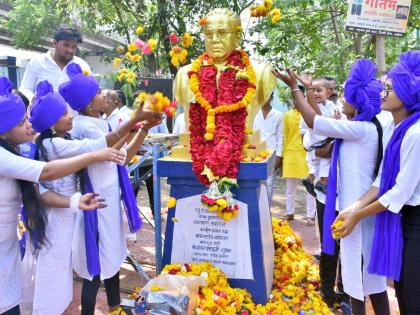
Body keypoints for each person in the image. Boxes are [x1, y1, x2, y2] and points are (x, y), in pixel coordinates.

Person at [273, 58, 390, 314]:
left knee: (359, 280)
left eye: (347, 97)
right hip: (355, 211)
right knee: (364, 281)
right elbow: (320, 117)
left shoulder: (361, 129)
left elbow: (316, 122)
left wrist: (295, 87)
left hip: (357, 214)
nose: (342, 101)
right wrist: (305, 92)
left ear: (356, 103)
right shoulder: (362, 127)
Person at [0, 76, 124, 315]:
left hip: (9, 244)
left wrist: (74, 202)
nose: (29, 125)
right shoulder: (8, 156)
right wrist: (95, 155)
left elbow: (40, 192)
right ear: (4, 132)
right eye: (21, 122)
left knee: (19, 297)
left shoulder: (20, 150)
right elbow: (45, 173)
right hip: (18, 240)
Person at [22, 80, 143, 315]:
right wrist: (129, 128)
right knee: (70, 270)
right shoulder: (56, 143)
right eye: (64, 114)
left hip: (80, 207)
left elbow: (109, 152)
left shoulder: (65, 138)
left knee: (83, 267)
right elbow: (98, 149)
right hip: (70, 212)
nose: (70, 116)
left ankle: (109, 306)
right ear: (51, 122)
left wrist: (134, 131)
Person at [59, 63, 162, 315]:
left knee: (114, 256)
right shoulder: (83, 125)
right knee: (94, 267)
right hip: (94, 204)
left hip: (109, 201)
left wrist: (143, 129)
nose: (103, 95)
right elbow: (108, 147)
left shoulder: (101, 123)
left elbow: (123, 157)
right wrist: (135, 122)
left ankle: (115, 307)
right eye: (97, 94)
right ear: (87, 103)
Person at [333, 50, 420, 315]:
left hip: (415, 219)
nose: (383, 94)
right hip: (401, 220)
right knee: (402, 294)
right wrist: (353, 207)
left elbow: (398, 193)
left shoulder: (415, 133)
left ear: (407, 93)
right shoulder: (396, 128)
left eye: (390, 89)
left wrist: (357, 214)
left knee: (413, 298)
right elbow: (382, 179)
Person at [20, 25, 91, 100]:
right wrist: (33, 99)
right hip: (44, 111)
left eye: (73, 47)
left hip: (75, 112)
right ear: (55, 43)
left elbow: (90, 91)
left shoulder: (82, 65)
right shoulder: (37, 62)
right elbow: (25, 89)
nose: (70, 50)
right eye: (66, 45)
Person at [282, 86, 316, 223]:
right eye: (294, 97)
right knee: (290, 188)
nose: (296, 100)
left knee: (309, 187)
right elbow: (285, 136)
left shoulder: (309, 113)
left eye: (299, 96)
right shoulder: (287, 115)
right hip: (290, 154)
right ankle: (289, 212)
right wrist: (283, 156)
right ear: (292, 98)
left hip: (306, 155)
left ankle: (310, 215)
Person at [300, 77, 339, 195]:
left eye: (319, 90)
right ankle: (323, 182)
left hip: (324, 138)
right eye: (313, 91)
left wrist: (335, 119)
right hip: (316, 139)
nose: (316, 94)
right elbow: (315, 122)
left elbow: (336, 119)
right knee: (325, 159)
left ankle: (310, 179)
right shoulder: (310, 107)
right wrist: (331, 120)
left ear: (328, 92)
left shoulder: (332, 105)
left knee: (317, 163)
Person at [253, 93, 283, 204]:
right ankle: (258, 207)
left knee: (269, 182)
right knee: (257, 181)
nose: (264, 99)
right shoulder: (255, 113)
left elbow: (280, 136)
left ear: (271, 98)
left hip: (272, 152)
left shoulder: (278, 115)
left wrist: (279, 156)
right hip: (256, 153)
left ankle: (267, 208)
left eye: (267, 96)